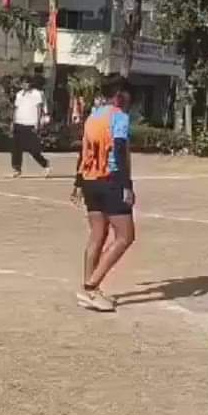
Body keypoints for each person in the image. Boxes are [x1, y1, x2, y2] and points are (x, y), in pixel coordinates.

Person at [70, 79, 136, 312]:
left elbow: (84, 151)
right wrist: (126, 185)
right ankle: (90, 286)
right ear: (119, 95)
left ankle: (90, 289)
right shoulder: (119, 117)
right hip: (110, 180)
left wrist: (78, 182)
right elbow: (118, 150)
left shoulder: (93, 117)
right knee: (125, 236)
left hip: (90, 180)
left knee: (97, 234)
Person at [11, 76, 51, 178]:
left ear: (30, 84)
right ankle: (17, 168)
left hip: (31, 123)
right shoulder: (19, 94)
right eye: (23, 83)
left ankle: (45, 164)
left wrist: (38, 123)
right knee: (16, 148)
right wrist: (13, 121)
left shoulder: (36, 94)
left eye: (27, 83)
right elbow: (16, 109)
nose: (25, 85)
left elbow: (39, 108)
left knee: (33, 148)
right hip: (19, 123)